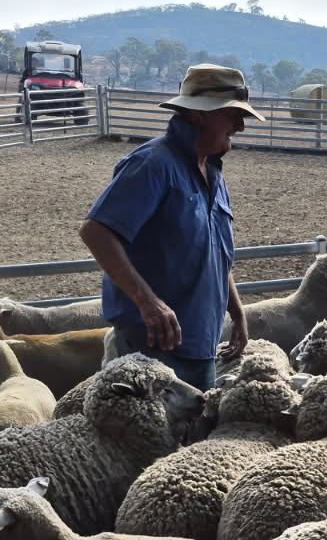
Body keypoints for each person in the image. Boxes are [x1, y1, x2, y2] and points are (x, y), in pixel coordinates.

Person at [77, 63, 265, 392]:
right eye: (232, 115)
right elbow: (96, 231)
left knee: (195, 442)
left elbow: (215, 253)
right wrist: (149, 303)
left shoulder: (213, 174)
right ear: (199, 115)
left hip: (202, 344)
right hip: (152, 347)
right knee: (147, 438)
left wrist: (236, 313)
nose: (240, 126)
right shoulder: (153, 165)